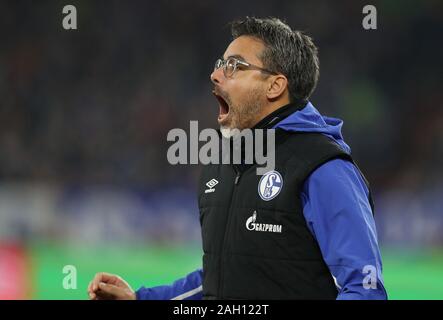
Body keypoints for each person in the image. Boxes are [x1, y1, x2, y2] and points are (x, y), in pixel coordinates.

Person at [88, 16, 387, 300]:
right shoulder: (222, 166)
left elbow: (364, 286)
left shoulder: (324, 169)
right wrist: (140, 298)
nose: (215, 74)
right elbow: (222, 279)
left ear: (275, 86)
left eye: (234, 66)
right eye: (221, 64)